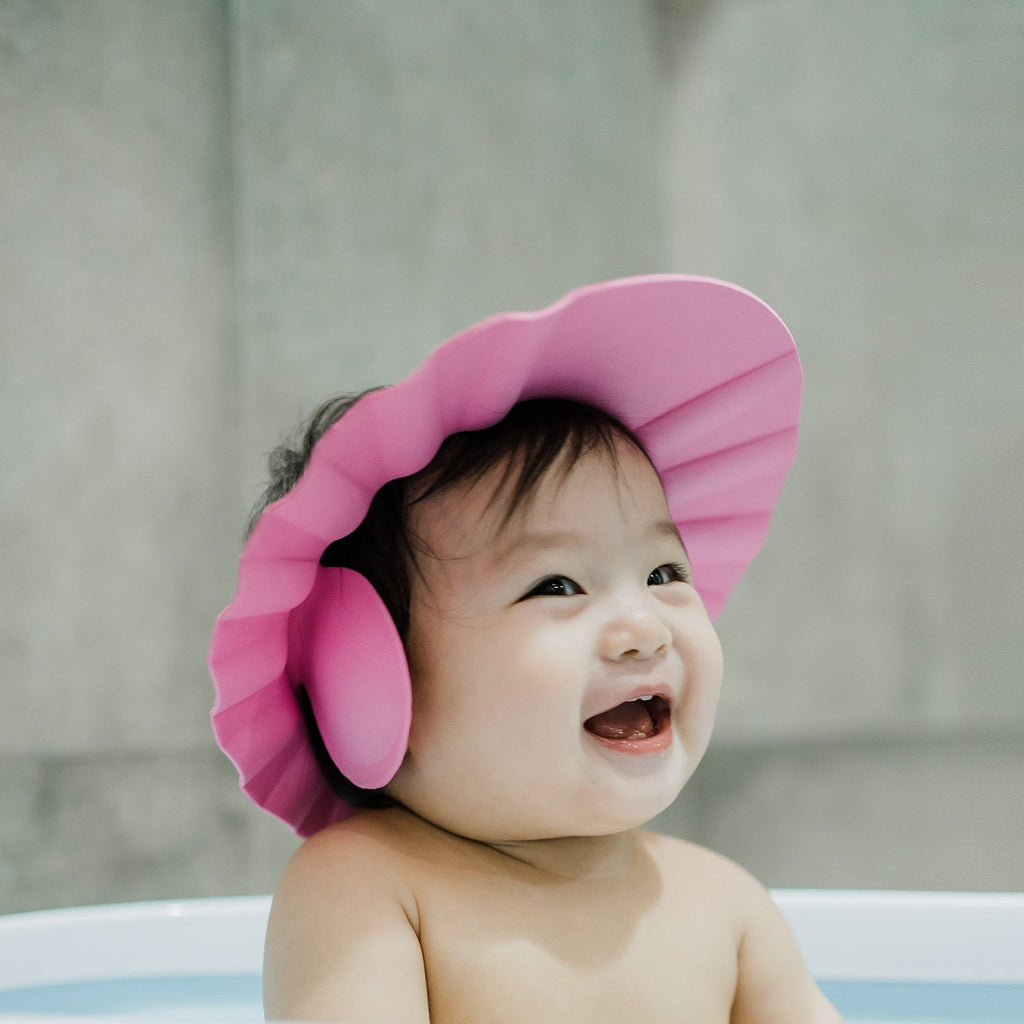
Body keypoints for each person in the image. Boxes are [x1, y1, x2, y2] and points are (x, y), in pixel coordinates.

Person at [209, 275, 845, 1022]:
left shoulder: (726, 908)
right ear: (370, 681)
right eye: (556, 586)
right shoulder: (371, 888)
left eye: (663, 573)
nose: (646, 627)